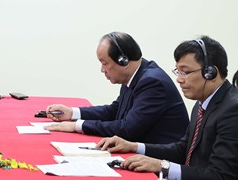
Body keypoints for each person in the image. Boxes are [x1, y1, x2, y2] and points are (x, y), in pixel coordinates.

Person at [98, 35, 238, 180]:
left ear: (210, 73)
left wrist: (163, 166)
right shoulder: (202, 103)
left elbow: (221, 175)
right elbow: (181, 149)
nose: (179, 79)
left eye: (185, 72)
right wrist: (134, 147)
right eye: (178, 72)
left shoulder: (232, 110)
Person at [44, 32, 189, 143]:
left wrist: (77, 126)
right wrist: (72, 113)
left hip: (160, 162)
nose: (102, 69)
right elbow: (115, 110)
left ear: (123, 61)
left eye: (104, 63)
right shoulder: (136, 75)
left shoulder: (152, 83)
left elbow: (127, 129)